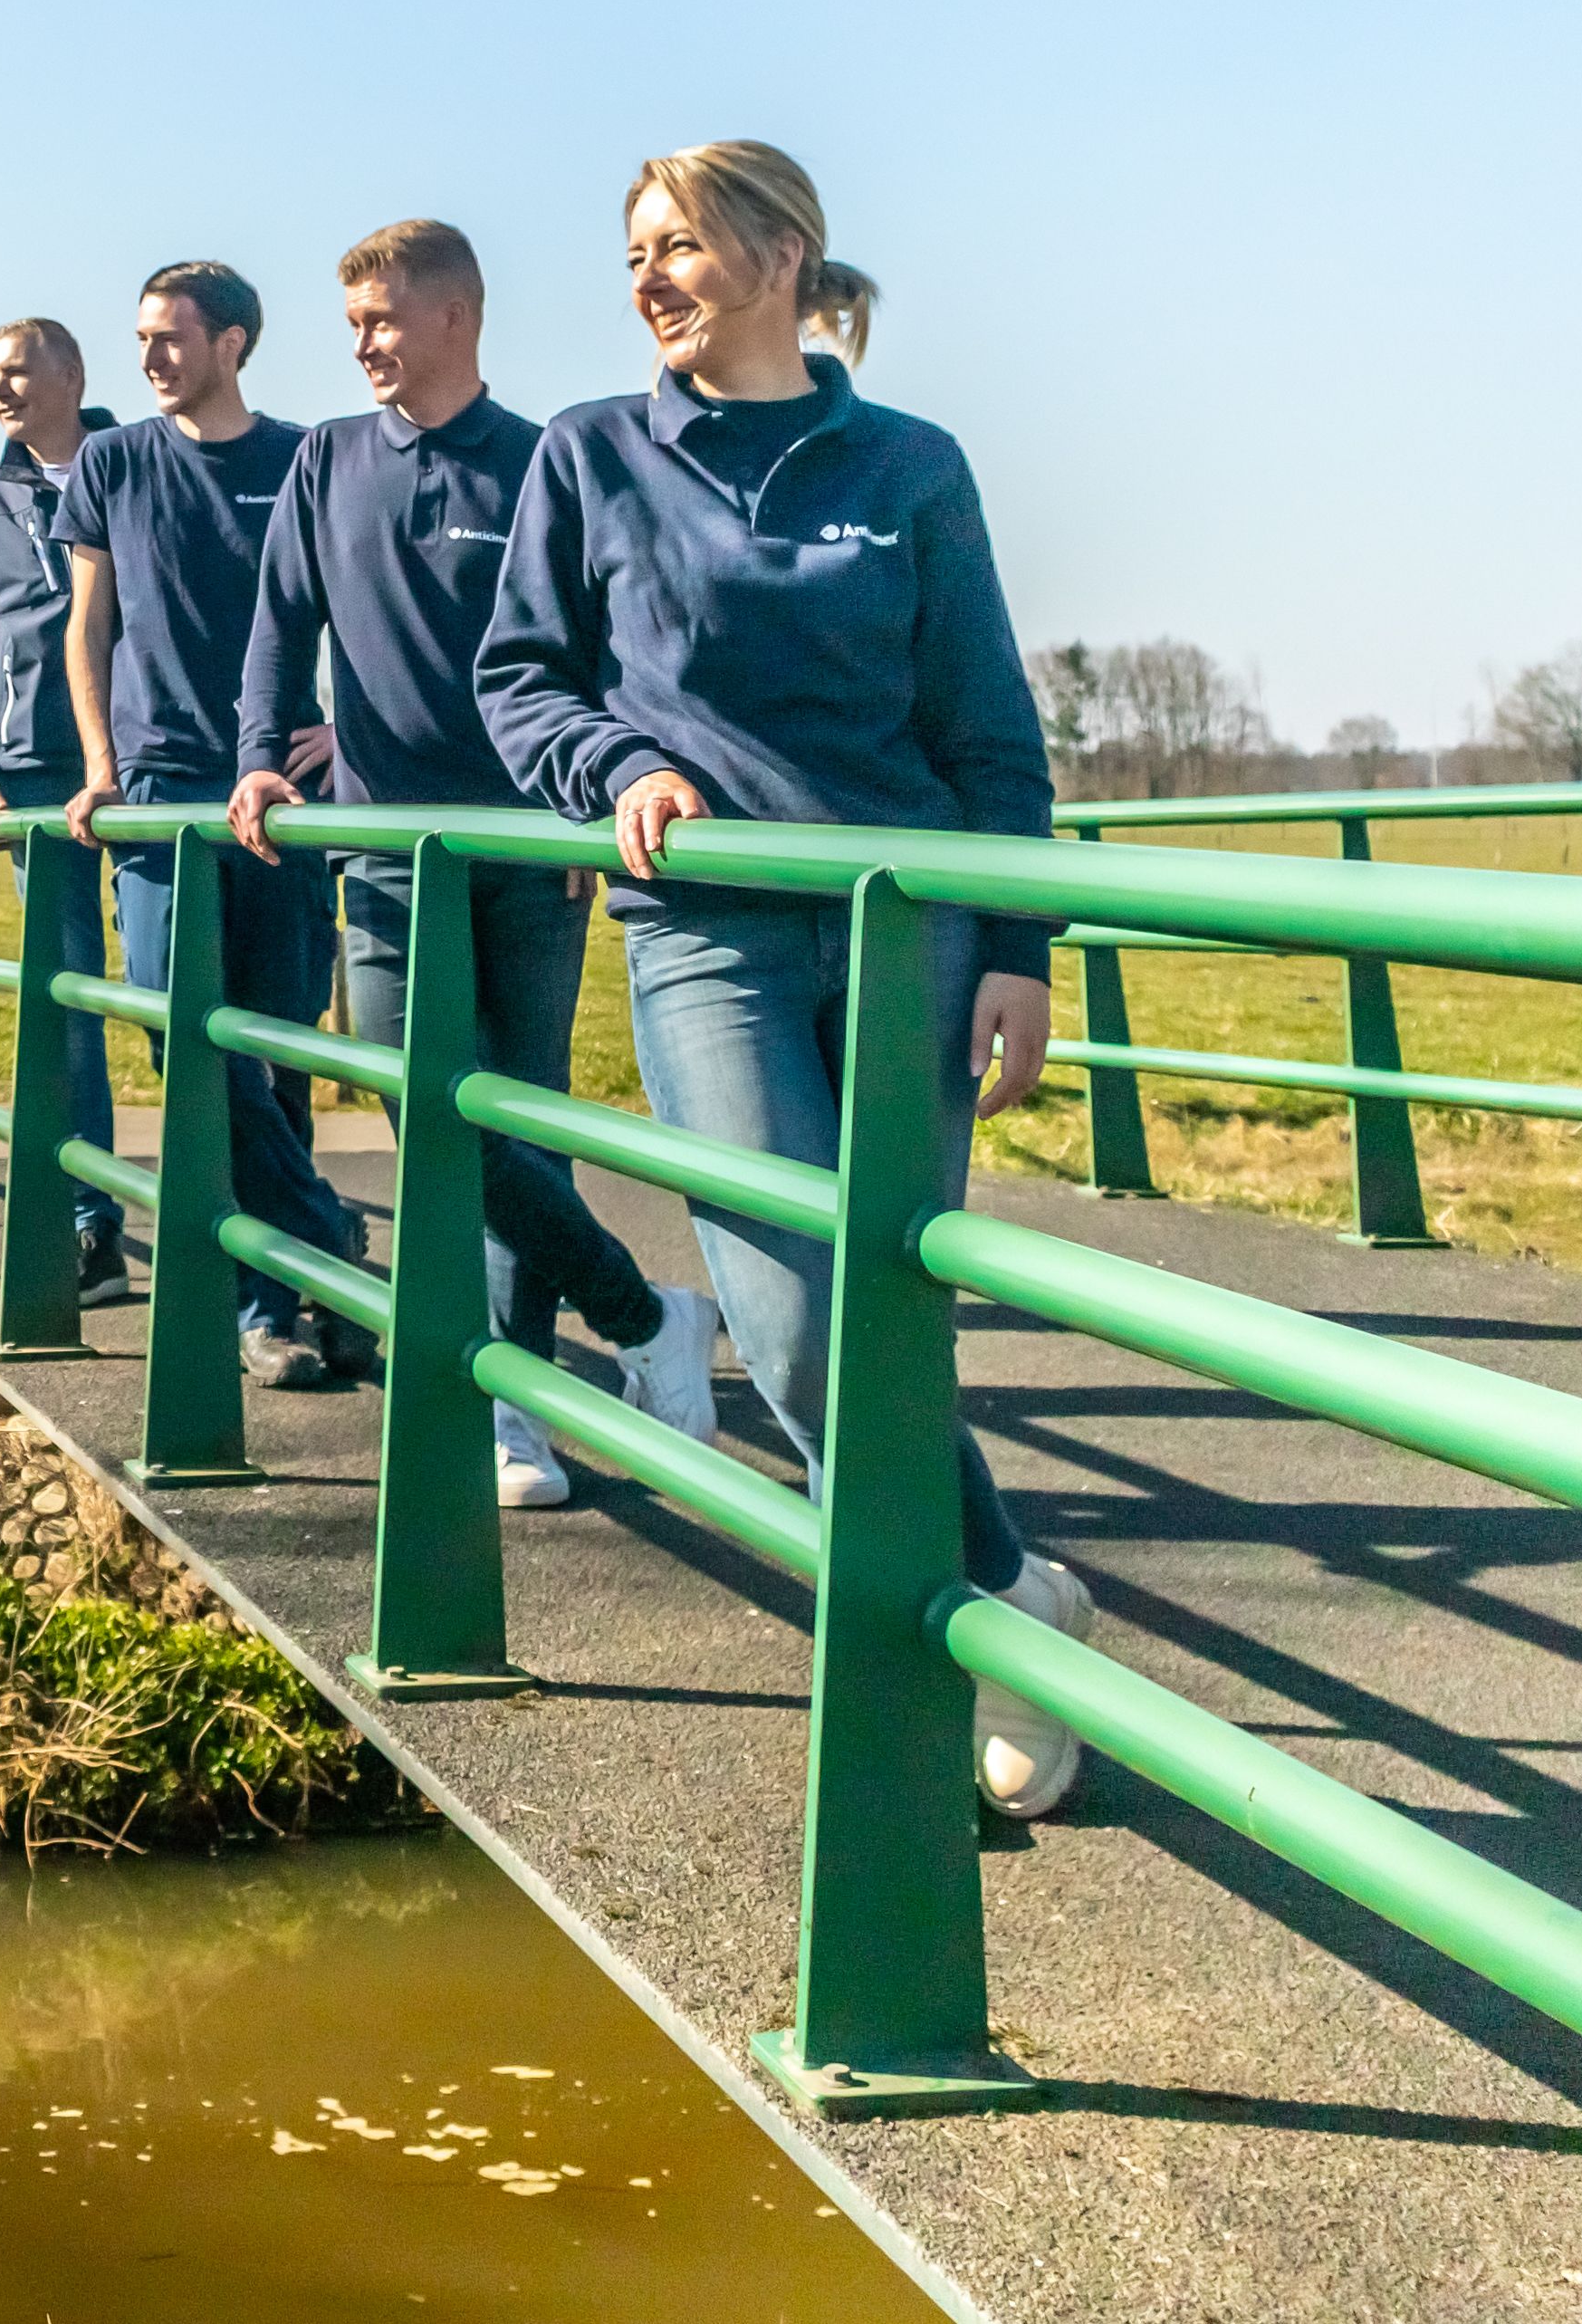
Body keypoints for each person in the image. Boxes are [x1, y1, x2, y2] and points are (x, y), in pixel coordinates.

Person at [473, 140, 1108, 1815]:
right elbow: (520, 680)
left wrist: (1023, 951)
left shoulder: (907, 464)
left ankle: (966, 1638)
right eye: (633, 254)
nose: (647, 277)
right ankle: (1005, 1603)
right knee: (794, 1315)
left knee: (893, 1301)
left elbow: (985, 726)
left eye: (676, 243)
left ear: (780, 252)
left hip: (913, 931)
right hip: (708, 934)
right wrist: (611, 765)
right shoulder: (590, 457)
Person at [223, 219, 717, 1507]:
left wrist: (584, 798)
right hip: (387, 857)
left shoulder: (543, 460)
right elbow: (280, 625)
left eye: (382, 321)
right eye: (353, 331)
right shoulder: (328, 463)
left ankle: (520, 1418)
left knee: (523, 1124)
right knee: (420, 1102)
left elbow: (607, 653)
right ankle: (645, 1312)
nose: (366, 348)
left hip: (529, 856)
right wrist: (259, 758)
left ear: (457, 317)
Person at [47, 261, 378, 1389]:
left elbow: (364, 609)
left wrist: (348, 730)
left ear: (233, 342)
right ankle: (325, 1240)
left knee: (279, 1052)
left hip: (279, 805)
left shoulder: (304, 459)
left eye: (172, 338)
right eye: (141, 337)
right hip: (158, 795)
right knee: (186, 1037)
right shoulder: (112, 462)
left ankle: (286, 1307)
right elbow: (86, 630)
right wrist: (97, 767)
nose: (149, 358)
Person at [0, 321, 132, 1295]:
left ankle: (240, 1210)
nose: (0, 389)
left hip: (145, 764)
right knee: (69, 1004)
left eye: (16, 369)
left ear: (71, 374)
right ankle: (94, 1222)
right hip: (31, 777)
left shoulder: (142, 467)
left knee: (170, 992)